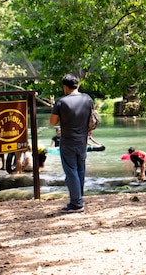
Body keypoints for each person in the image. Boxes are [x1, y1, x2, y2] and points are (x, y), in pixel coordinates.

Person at [49, 74, 94, 213]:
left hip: (68, 141)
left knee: (71, 171)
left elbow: (52, 122)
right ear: (78, 85)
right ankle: (79, 198)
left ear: (65, 87)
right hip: (82, 141)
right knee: (80, 170)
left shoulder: (61, 102)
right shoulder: (87, 99)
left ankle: (76, 203)